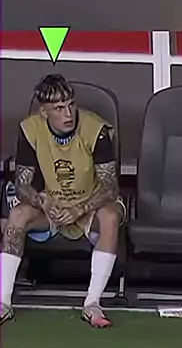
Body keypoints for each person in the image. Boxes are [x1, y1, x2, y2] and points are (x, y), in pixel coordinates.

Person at [0, 74, 125, 328]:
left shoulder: (96, 130)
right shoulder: (30, 129)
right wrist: (44, 203)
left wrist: (80, 208)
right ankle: (3, 303)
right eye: (58, 108)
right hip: (52, 205)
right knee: (17, 215)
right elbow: (22, 185)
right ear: (44, 112)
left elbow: (110, 186)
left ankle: (92, 304)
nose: (68, 114)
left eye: (70, 105)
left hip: (91, 204)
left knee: (111, 216)